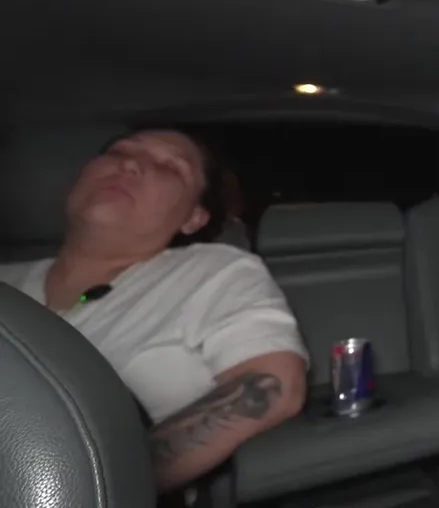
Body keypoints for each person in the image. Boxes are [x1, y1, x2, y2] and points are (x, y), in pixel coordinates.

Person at [0, 128, 309, 495]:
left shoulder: (211, 271)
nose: (129, 165)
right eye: (119, 152)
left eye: (169, 166)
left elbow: (273, 385)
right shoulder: (8, 283)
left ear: (193, 218)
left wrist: (102, 485)